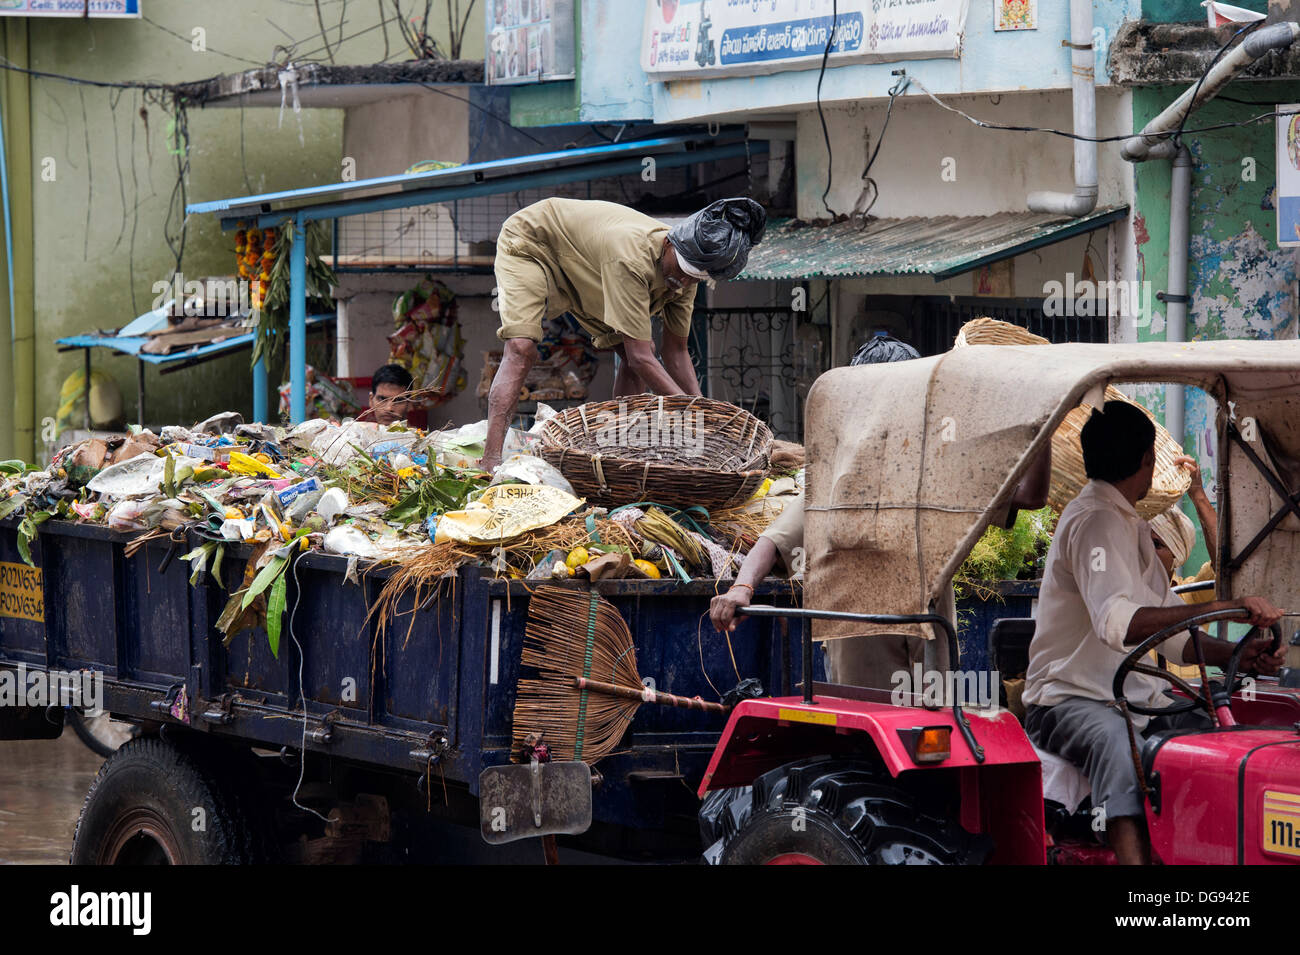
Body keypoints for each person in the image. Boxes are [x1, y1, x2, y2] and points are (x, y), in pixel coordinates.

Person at [709, 332, 1053, 689]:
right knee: (866, 739)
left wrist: (1039, 421)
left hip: (930, 643)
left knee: (932, 738)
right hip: (859, 647)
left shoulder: (940, 465)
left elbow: (1030, 496)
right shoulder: (838, 473)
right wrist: (742, 588)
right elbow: (774, 540)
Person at [1023, 401, 1285, 865]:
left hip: (1135, 699)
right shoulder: (1093, 521)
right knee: (1117, 743)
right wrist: (1225, 606)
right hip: (1067, 701)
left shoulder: (1133, 526)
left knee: (1210, 740)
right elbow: (1116, 623)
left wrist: (1240, 656)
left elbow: (1175, 635)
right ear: (1146, 460)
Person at [482, 196, 767, 470]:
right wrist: (687, 411)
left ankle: (617, 454)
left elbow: (676, 352)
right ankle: (491, 461)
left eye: (694, 278)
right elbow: (640, 358)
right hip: (535, 242)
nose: (682, 281)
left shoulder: (686, 280)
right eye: (682, 270)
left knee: (637, 357)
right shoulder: (631, 258)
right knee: (521, 348)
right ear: (669, 243)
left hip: (590, 265)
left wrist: (703, 413)